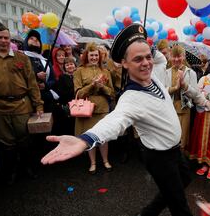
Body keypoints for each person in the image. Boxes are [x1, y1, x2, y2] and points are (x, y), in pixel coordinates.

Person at [41, 24, 194, 216]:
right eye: (138, 59)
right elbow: (115, 120)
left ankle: (148, 212)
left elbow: (160, 58)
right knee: (179, 205)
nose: (146, 62)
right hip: (160, 157)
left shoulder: (154, 75)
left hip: (175, 151)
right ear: (124, 64)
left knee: (185, 179)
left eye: (148, 57)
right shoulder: (130, 98)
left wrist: (142, 45)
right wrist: (85, 139)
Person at [0, 21, 43, 184]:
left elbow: (32, 84)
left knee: (25, 140)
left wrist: (38, 105)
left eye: (6, 38)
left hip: (22, 106)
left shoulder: (21, 57)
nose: (3, 40)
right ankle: (11, 171)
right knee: (6, 143)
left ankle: (28, 168)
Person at [73, 42, 115, 174]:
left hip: (102, 108)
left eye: (96, 55)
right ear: (86, 56)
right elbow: (78, 94)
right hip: (86, 109)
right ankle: (93, 163)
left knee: (103, 137)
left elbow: (112, 93)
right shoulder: (79, 71)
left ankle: (106, 161)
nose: (94, 58)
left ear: (100, 56)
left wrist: (102, 87)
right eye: (91, 55)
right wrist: (92, 85)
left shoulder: (105, 71)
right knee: (89, 137)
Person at [165, 45, 207, 150]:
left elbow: (195, 94)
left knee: (183, 139)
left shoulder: (190, 73)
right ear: (170, 57)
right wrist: (174, 88)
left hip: (185, 109)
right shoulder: (166, 72)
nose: (176, 59)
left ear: (183, 56)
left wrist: (184, 86)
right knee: (171, 137)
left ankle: (182, 162)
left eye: (179, 56)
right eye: (174, 57)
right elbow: (163, 90)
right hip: (170, 109)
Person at [23, 29, 57, 113]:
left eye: (37, 40)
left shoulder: (45, 60)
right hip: (29, 102)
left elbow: (53, 80)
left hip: (47, 100)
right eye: (31, 38)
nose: (35, 41)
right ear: (26, 41)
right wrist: (35, 76)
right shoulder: (22, 58)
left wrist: (45, 85)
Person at [54, 57, 76, 135]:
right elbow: (61, 92)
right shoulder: (62, 77)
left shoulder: (78, 75)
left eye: (71, 64)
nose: (70, 66)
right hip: (68, 104)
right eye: (67, 65)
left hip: (79, 103)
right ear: (64, 67)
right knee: (70, 125)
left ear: (75, 65)